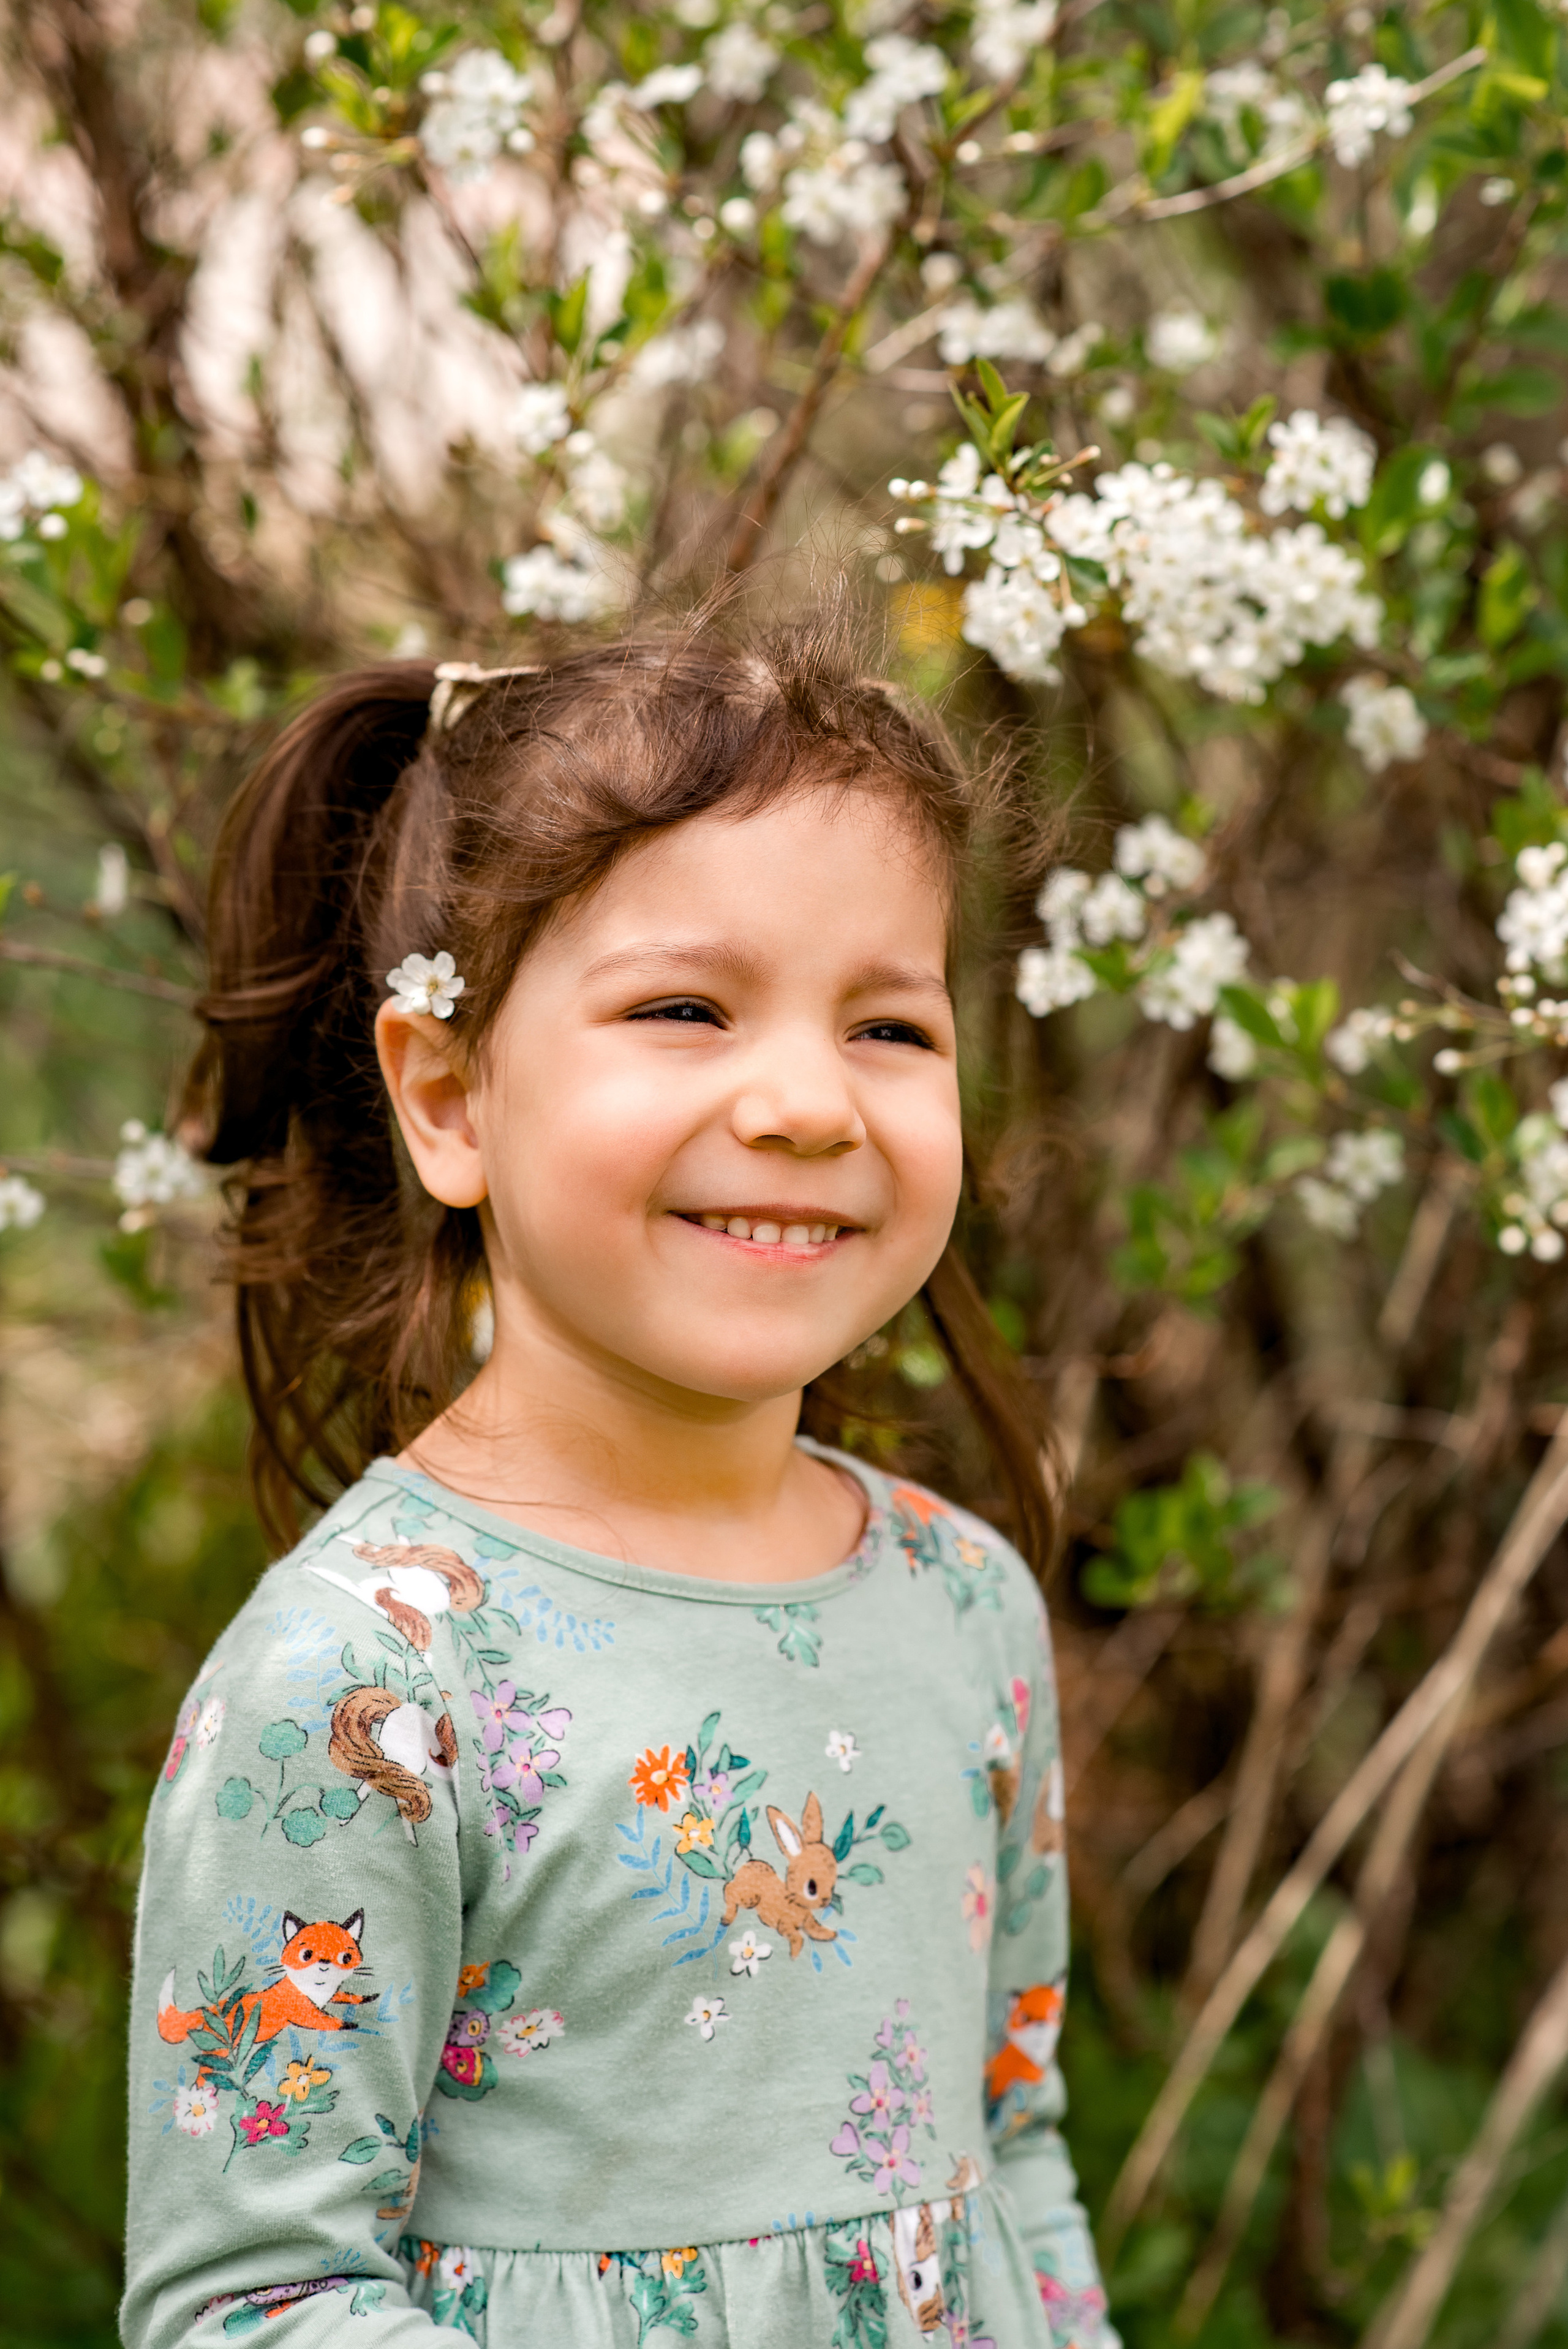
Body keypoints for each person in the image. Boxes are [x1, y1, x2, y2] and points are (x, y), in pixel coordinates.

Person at [123, 627, 1118, 2349]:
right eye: (685, 1010)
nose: (807, 1102)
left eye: (889, 1023)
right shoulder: (368, 1681)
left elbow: (1014, 2144)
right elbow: (253, 2299)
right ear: (450, 1097)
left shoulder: (966, 1601)